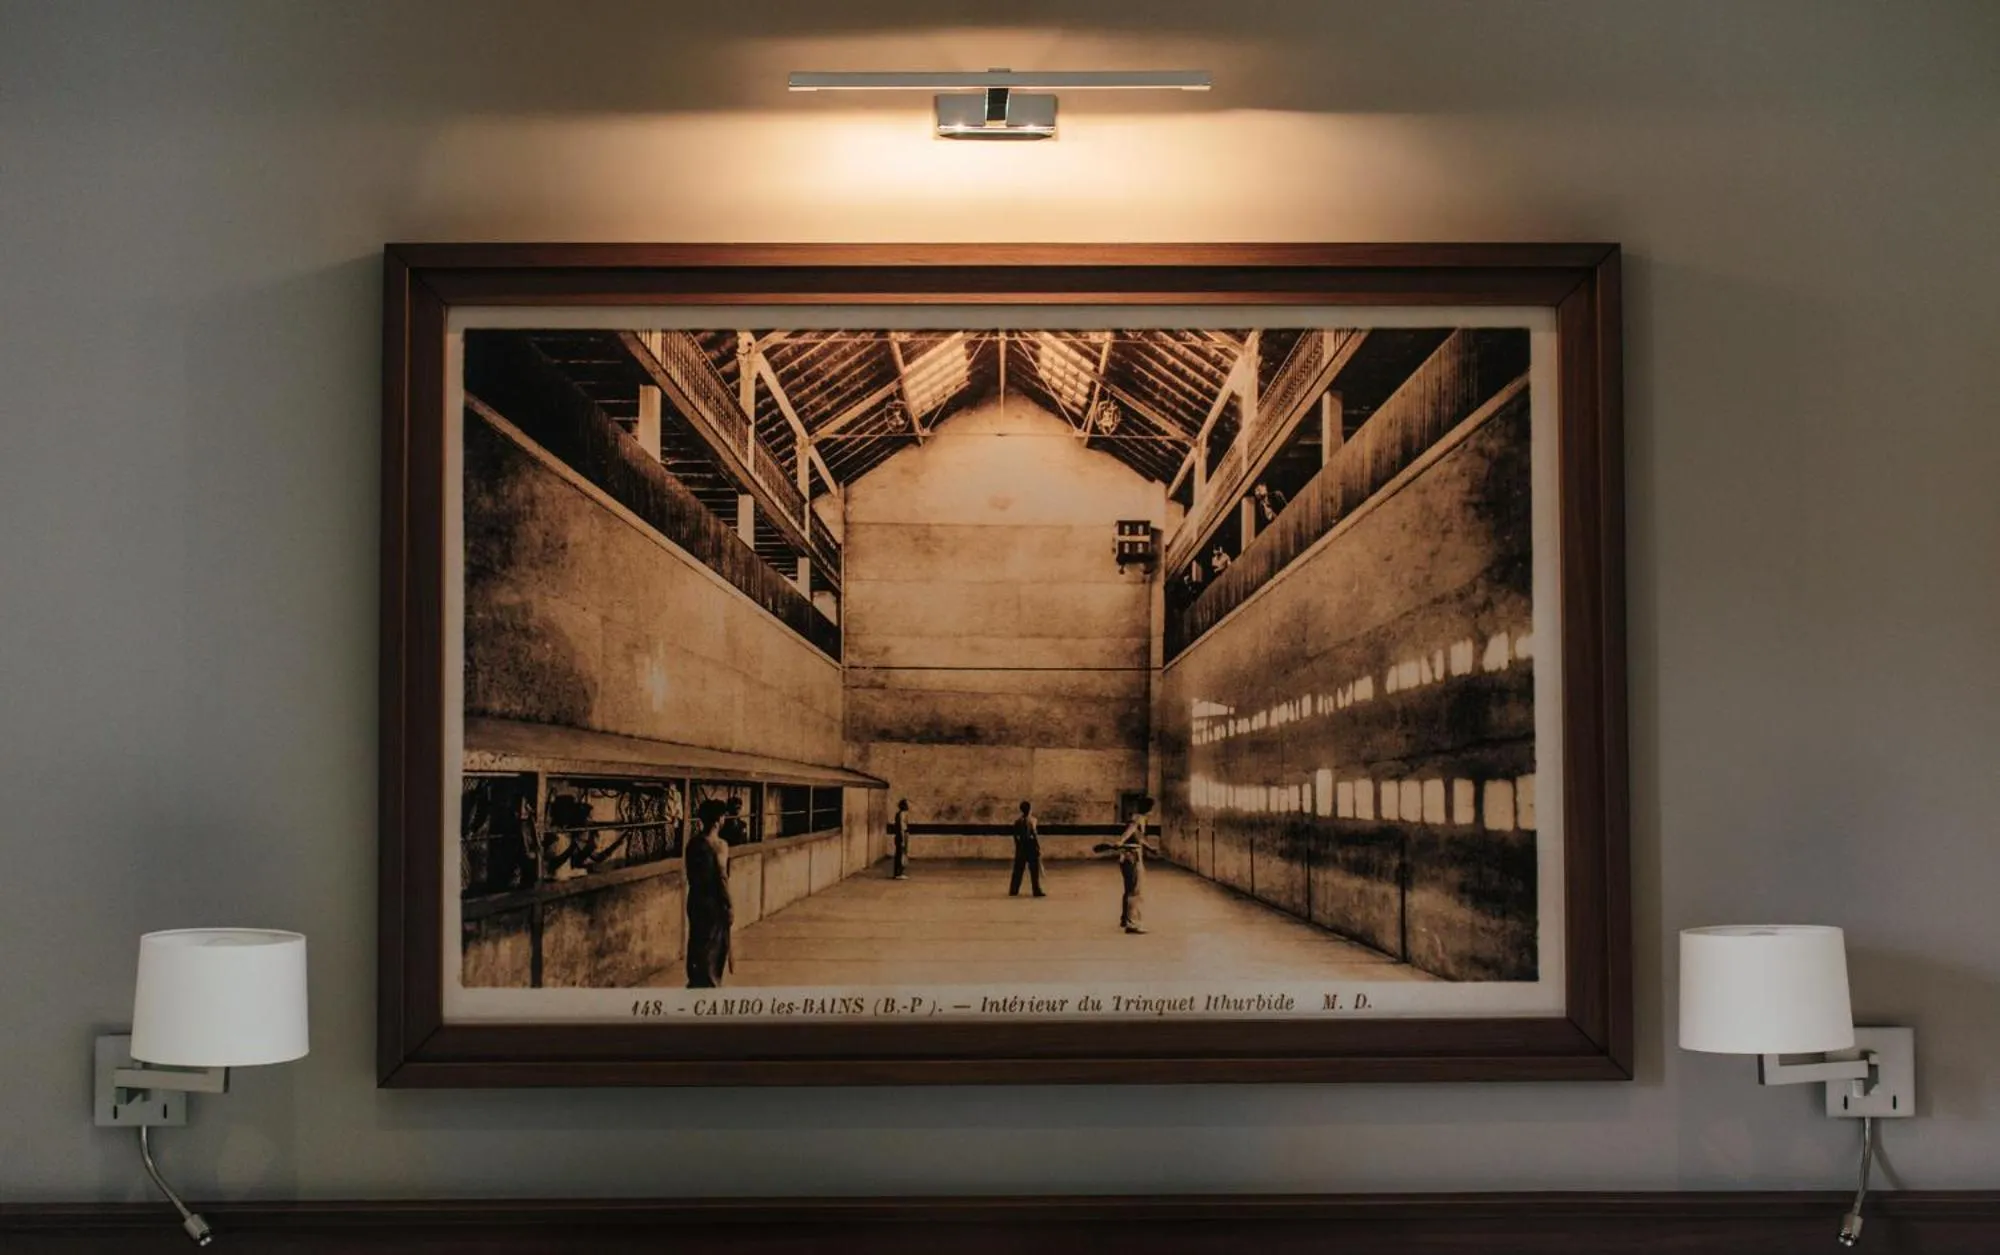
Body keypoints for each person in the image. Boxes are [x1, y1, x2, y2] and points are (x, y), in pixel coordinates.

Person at [684, 798, 734, 988]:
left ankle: (695, 983)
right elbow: (722, 878)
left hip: (695, 900)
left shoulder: (693, 844)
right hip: (713, 904)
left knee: (697, 943)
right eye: (723, 816)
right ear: (718, 820)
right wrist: (729, 906)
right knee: (714, 949)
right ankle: (709, 987)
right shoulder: (719, 845)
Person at [1096, 797, 1163, 934]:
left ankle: (1125, 919)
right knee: (1135, 891)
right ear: (1149, 809)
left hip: (1127, 857)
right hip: (1132, 857)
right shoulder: (1138, 819)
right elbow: (1131, 830)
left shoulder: (1138, 818)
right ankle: (1132, 924)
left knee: (1129, 890)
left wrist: (1150, 848)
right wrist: (1121, 841)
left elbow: (1139, 837)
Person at [1009, 800, 1046, 898]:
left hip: (1022, 848)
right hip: (1031, 848)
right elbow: (1034, 835)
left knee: (1018, 870)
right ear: (1030, 809)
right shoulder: (1033, 821)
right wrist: (1038, 848)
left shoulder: (1017, 822)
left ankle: (1014, 890)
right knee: (1034, 871)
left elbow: (1015, 836)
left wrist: (1018, 846)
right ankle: (1036, 890)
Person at [890, 798, 912, 880]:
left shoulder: (900, 814)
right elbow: (902, 828)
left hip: (900, 836)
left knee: (900, 854)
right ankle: (899, 872)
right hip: (901, 836)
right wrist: (903, 839)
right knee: (901, 854)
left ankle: (898, 872)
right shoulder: (902, 814)